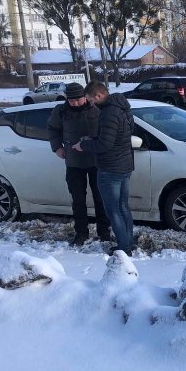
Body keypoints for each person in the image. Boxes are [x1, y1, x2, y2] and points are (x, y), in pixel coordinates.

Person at [72, 81, 135, 255]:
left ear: (98, 96)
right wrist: (93, 138)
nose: (91, 103)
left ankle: (124, 248)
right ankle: (128, 242)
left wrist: (83, 145)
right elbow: (118, 135)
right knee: (123, 206)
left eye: (91, 100)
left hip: (110, 168)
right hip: (125, 165)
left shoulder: (108, 113)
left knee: (113, 210)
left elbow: (104, 145)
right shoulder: (123, 108)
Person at [47, 82, 112, 246]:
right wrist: (57, 147)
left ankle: (104, 232)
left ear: (85, 97)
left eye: (78, 100)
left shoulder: (96, 108)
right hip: (74, 163)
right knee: (78, 200)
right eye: (72, 100)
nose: (75, 103)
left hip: (96, 161)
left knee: (101, 198)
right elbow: (52, 129)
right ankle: (81, 233)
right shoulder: (61, 111)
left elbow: (108, 129)